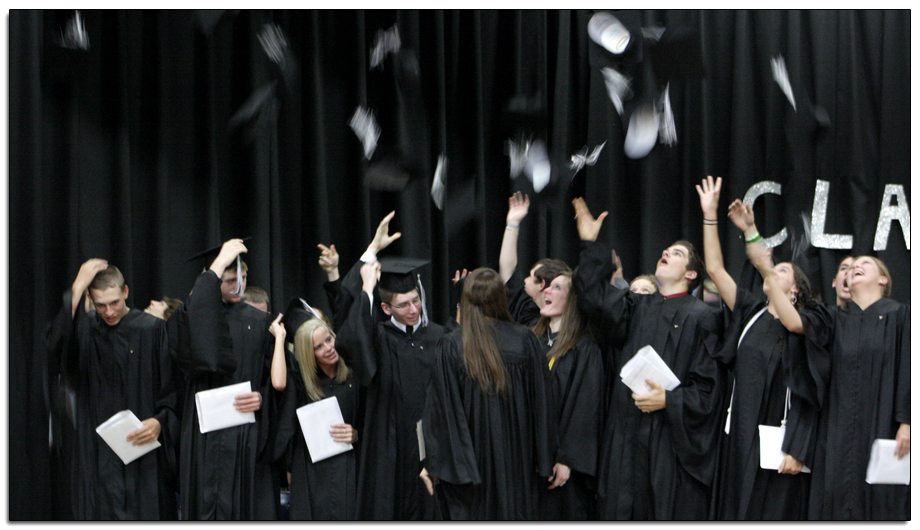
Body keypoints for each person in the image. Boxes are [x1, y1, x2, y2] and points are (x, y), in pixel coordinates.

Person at [571, 197, 725, 520]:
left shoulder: (703, 317)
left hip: (667, 446)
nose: (666, 252)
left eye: (677, 253)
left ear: (692, 273)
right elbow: (592, 298)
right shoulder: (636, 307)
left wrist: (669, 399)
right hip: (624, 437)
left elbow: (709, 390)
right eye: (666, 250)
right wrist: (591, 244)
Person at [697, 176, 826, 519]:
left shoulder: (810, 319)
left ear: (796, 289)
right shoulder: (751, 311)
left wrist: (758, 247)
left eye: (783, 271)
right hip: (740, 430)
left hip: (778, 439)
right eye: (774, 269)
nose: (773, 274)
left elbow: (794, 328)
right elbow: (715, 269)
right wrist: (710, 215)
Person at [333, 213, 447, 520]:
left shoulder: (439, 337)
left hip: (430, 443)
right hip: (388, 445)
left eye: (416, 301)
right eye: (403, 304)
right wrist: (369, 265)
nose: (413, 309)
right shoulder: (377, 338)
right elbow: (347, 323)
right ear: (385, 308)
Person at [44, 259, 179, 519]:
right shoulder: (85, 332)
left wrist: (160, 421)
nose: (109, 312)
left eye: (114, 302)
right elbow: (55, 347)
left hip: (144, 459)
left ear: (125, 291)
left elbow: (173, 388)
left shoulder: (152, 330)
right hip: (97, 459)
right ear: (90, 300)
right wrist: (77, 287)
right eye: (100, 305)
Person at [780, 252, 909, 520]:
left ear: (883, 279)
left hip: (882, 426)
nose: (856, 266)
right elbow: (796, 326)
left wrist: (906, 422)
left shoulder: (901, 316)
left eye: (866, 263)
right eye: (851, 267)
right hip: (835, 433)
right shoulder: (833, 319)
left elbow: (910, 369)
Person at [421, 268, 553, 520]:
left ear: (467, 302)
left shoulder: (452, 344)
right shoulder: (525, 339)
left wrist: (434, 462)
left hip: (471, 466)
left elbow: (442, 411)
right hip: (518, 460)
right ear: (502, 298)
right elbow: (543, 404)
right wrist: (545, 461)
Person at [167, 239, 278, 520]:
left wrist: (262, 396)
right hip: (203, 435)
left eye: (243, 278)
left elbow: (277, 380)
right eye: (229, 280)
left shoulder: (260, 322)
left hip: (244, 436)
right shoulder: (190, 318)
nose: (238, 286)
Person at [269, 299, 363, 520]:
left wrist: (356, 434)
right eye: (318, 347)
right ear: (307, 353)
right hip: (311, 473)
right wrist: (280, 339)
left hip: (349, 470)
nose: (329, 349)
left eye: (329, 339)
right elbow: (278, 383)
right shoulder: (301, 384)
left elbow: (372, 423)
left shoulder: (354, 376)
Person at [531, 270, 605, 520]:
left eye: (557, 287)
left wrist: (567, 459)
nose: (546, 290)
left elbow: (585, 408)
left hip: (561, 464)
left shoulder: (584, 348)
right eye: (548, 286)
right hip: (530, 458)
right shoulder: (531, 341)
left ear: (574, 300)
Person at [498, 191, 572, 326]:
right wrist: (513, 224)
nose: (524, 281)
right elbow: (507, 272)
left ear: (542, 284)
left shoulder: (572, 327)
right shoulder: (527, 313)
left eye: (530, 276)